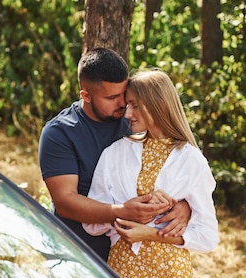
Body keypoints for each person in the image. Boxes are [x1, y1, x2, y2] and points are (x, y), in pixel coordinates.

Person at [83, 69, 219, 278]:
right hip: (124, 272)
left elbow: (208, 237)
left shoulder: (191, 160)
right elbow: (92, 223)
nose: (127, 113)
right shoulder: (115, 154)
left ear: (158, 104)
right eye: (127, 104)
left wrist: (152, 232)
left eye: (135, 105)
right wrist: (123, 210)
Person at [38, 48, 190, 260]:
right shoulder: (60, 133)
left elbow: (177, 166)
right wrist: (121, 211)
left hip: (136, 259)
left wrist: (185, 206)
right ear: (86, 95)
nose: (122, 104)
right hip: (78, 253)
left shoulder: (134, 119)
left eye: (124, 94)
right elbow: (65, 203)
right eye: (112, 97)